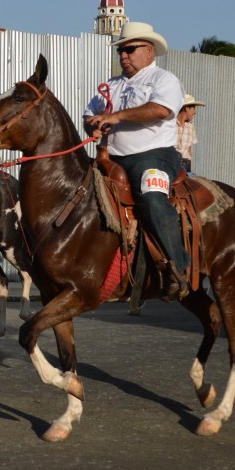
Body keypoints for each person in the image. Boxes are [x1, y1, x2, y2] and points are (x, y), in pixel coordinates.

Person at [83, 22, 189, 301]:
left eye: (130, 49)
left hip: (153, 156)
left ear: (149, 50)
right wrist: (92, 125)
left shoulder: (164, 80)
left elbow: (161, 109)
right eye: (121, 50)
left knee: (153, 197)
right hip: (112, 158)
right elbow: (90, 113)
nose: (124, 55)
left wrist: (115, 117)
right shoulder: (111, 85)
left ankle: (177, 268)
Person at [175, 94, 206, 172]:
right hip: (172, 164)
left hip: (186, 165)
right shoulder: (170, 125)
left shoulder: (191, 126)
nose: (195, 112)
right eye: (193, 108)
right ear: (186, 108)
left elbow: (189, 148)